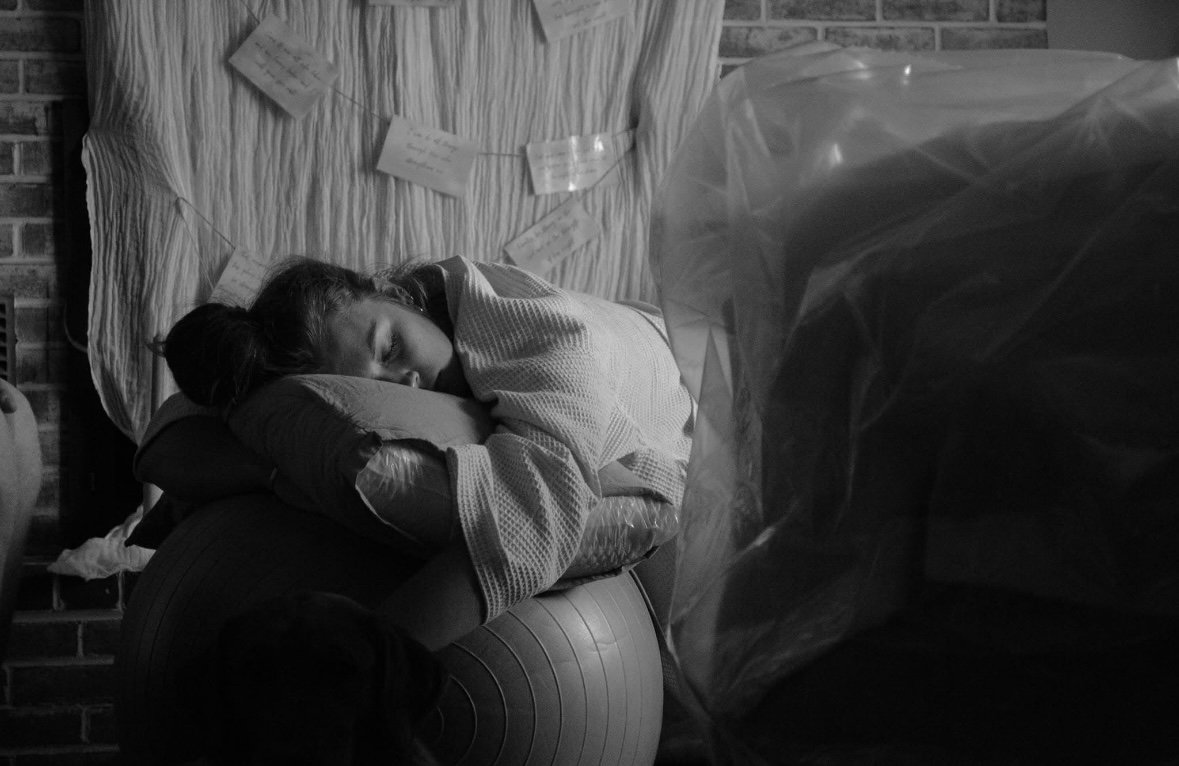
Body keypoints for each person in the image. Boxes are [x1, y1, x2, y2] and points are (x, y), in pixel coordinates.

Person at [137, 256, 694, 649]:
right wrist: (267, 470)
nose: (407, 381)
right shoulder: (380, 345)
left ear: (397, 294)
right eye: (378, 384)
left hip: (698, 366)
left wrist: (376, 655)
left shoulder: (530, 327)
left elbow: (540, 505)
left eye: (393, 346)